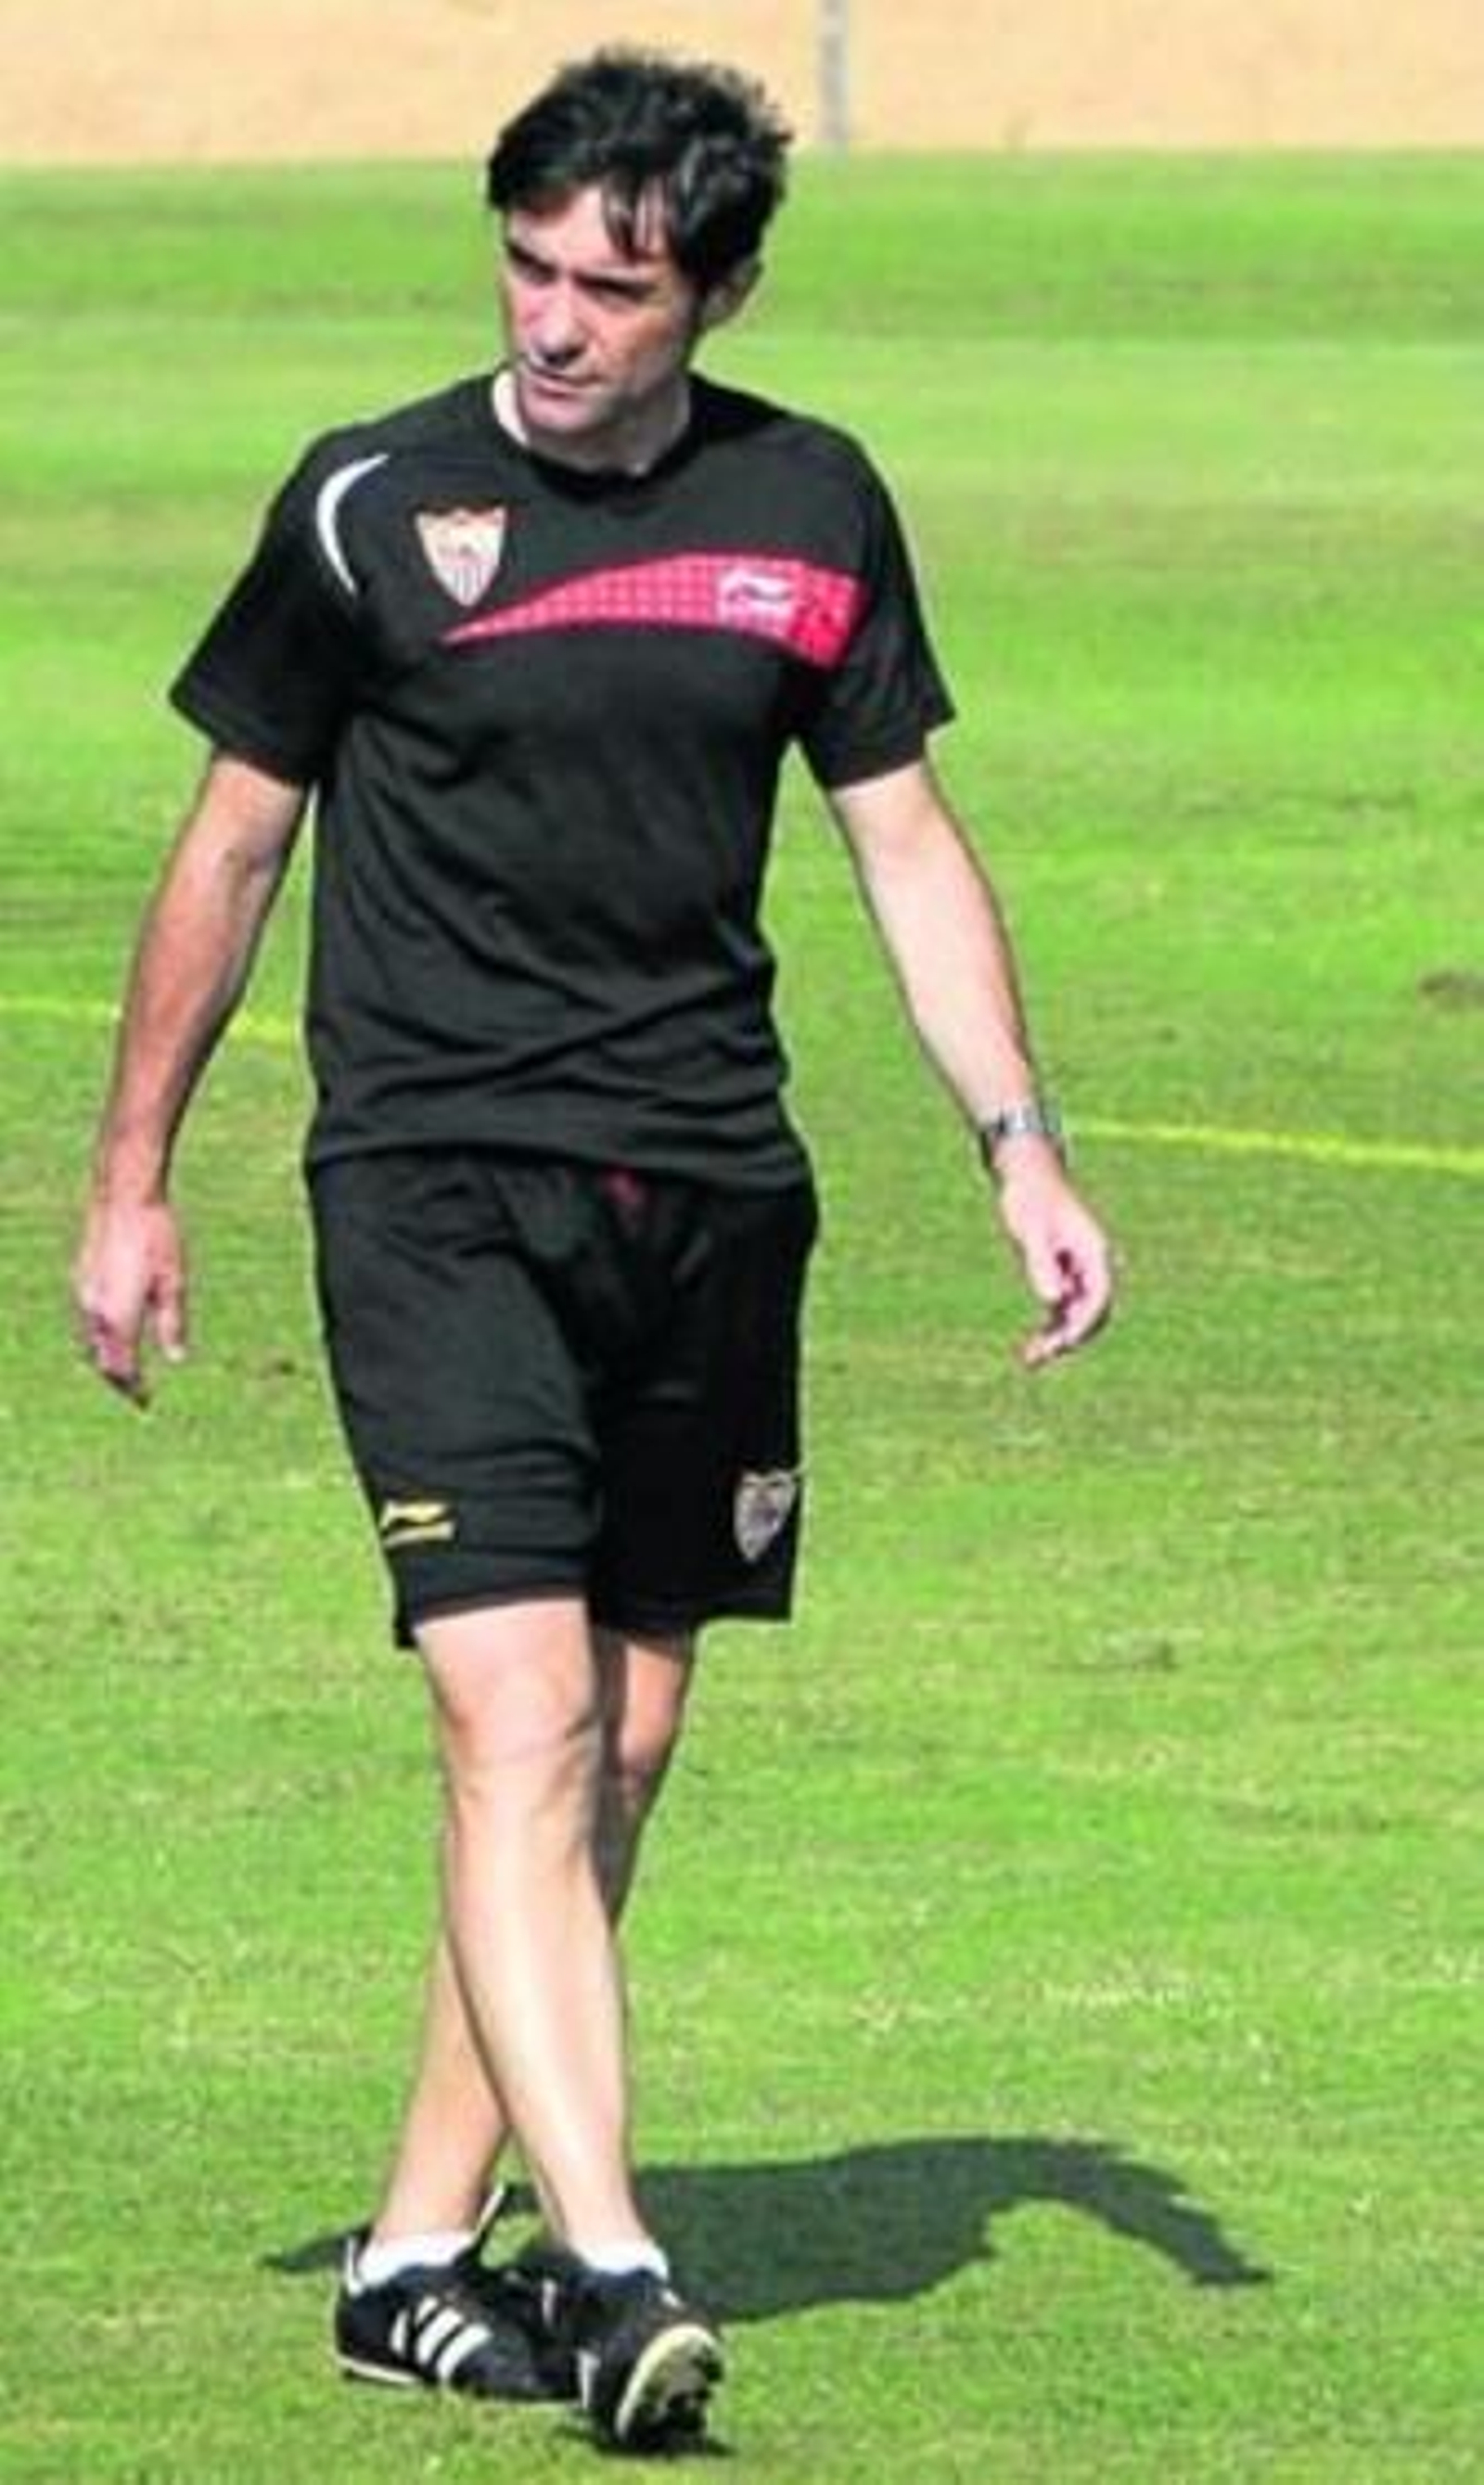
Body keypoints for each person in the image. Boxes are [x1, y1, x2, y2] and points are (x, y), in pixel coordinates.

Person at [71, 46, 1114, 2456]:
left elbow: (909, 846)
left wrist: (1019, 1146)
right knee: (513, 1717)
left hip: (713, 1193)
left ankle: (419, 2251)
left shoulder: (812, 504)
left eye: (612, 287)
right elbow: (230, 852)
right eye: (527, 266)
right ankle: (615, 2266)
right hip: (434, 1185)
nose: (553, 322)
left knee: (617, 1739)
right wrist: (132, 1175)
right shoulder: (367, 507)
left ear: (712, 291)